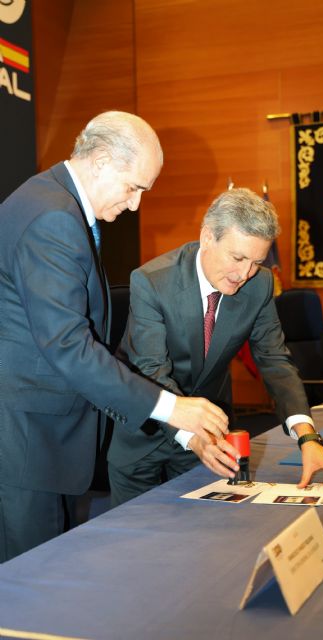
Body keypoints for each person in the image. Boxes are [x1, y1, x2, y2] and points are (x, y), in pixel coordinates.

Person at [0, 111, 230, 563]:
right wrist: (173, 408)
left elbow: (90, 346)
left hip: (40, 441)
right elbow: (72, 348)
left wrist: (179, 428)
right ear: (102, 160)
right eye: (135, 186)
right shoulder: (53, 218)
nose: (136, 204)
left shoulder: (52, 202)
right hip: (28, 445)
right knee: (30, 593)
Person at [108, 188, 323, 506]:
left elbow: (274, 359)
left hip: (212, 438)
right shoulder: (152, 281)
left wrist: (307, 436)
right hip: (146, 432)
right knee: (134, 546)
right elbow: (152, 369)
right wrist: (194, 437)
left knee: (207, 539)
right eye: (237, 258)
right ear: (207, 237)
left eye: (256, 261)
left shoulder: (259, 283)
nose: (244, 274)